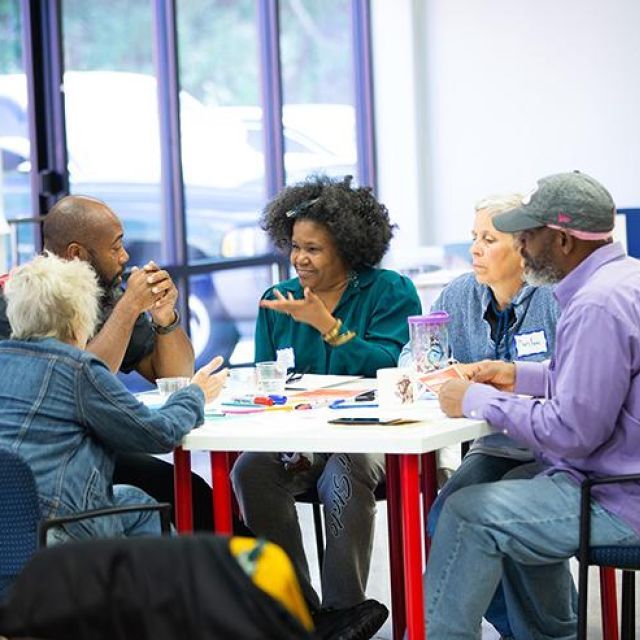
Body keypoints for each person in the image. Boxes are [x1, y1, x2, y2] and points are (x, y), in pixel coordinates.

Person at [428, 171, 640, 639]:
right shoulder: (623, 279)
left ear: (562, 240)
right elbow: (597, 383)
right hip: (617, 476)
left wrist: (476, 400)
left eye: (529, 233)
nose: (522, 244)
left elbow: (571, 430)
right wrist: (516, 374)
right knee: (515, 491)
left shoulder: (596, 305)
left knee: (466, 513)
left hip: (617, 497)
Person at [231, 175, 422, 640]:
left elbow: (391, 367)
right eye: (295, 246)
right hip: (298, 436)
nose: (299, 258)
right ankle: (297, 610)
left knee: (343, 471)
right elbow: (266, 378)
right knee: (249, 470)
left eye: (313, 248)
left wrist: (329, 327)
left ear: (347, 248)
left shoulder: (390, 290)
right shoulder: (277, 300)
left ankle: (346, 612)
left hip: (372, 436)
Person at [0, 195, 217, 531]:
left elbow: (174, 376)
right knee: (151, 501)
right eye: (116, 247)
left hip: (84, 456)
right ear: (77, 254)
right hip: (45, 479)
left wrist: (165, 319)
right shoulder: (21, 301)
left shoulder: (109, 293)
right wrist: (129, 308)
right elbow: (80, 371)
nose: (125, 257)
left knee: (186, 492)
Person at [398, 193, 559, 637]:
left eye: (489, 239)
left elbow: (572, 382)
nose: (474, 249)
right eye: (473, 237)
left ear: (523, 246)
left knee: (498, 521)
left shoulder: (554, 297)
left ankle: (546, 628)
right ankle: (518, 628)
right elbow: (414, 356)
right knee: (444, 515)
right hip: (494, 444)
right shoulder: (459, 294)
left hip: (553, 447)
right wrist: (436, 368)